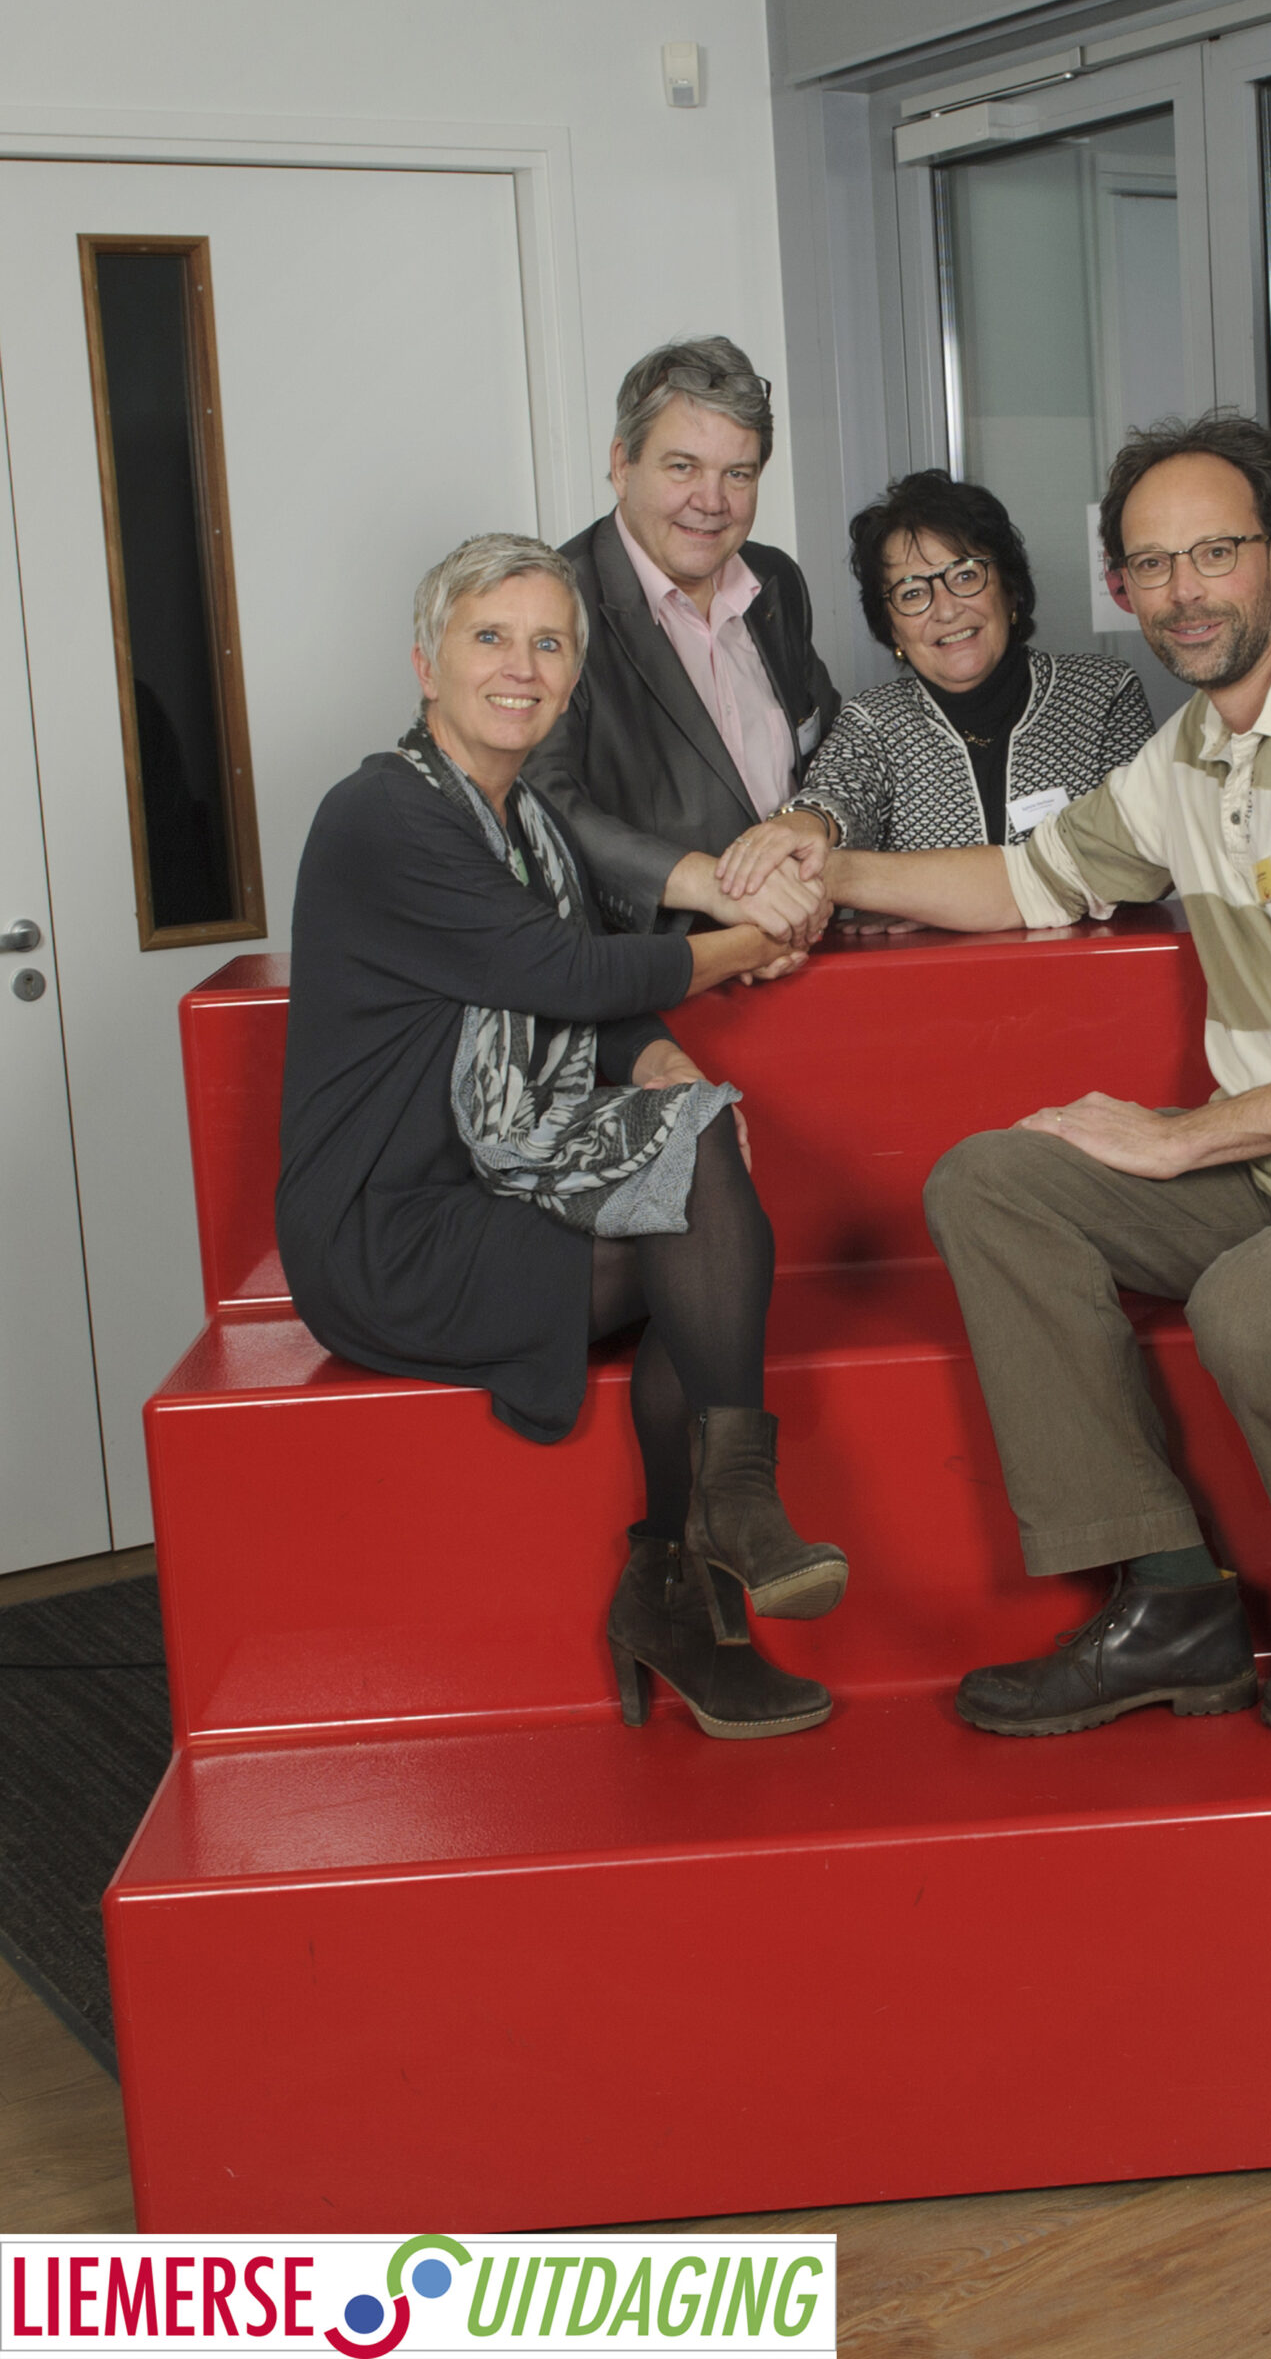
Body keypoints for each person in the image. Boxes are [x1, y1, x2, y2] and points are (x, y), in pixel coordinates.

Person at [719, 414, 1271, 1736]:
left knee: (1254, 1307)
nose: (1183, 592)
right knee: (994, 1184)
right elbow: (1029, 879)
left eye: (1214, 553)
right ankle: (1169, 1597)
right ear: (1121, 586)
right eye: (1152, 566)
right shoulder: (1190, 755)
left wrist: (1184, 1138)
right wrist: (826, 867)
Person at [277, 534, 848, 1742]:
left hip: (491, 1190)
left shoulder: (526, 819)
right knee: (701, 1210)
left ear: (572, 675)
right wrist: (759, 935)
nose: (522, 668)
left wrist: (665, 1062)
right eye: (490, 637)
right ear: (425, 663)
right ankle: (700, 1556)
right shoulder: (383, 813)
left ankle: (697, 1549)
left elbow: (592, 992)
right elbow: (560, 972)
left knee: (701, 1174)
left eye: (549, 643)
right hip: (388, 1230)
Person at [522, 337, 834, 963]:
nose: (712, 503)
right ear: (622, 464)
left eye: (737, 474)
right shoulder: (552, 603)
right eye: (683, 467)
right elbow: (540, 804)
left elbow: (827, 748)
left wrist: (822, 855)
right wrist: (717, 891)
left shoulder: (776, 580)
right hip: (655, 979)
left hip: (803, 953)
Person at [764, 469, 1153, 860]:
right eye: (912, 593)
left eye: (965, 575)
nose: (947, 610)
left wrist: (913, 888)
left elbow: (1137, 851)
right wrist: (805, 823)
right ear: (892, 628)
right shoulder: (873, 722)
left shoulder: (1102, 694)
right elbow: (837, 793)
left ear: (1009, 588)